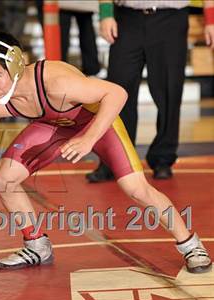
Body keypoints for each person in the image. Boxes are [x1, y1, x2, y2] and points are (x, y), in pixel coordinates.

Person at [0, 32, 212, 274]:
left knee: (136, 188)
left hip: (94, 123)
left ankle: (191, 245)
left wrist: (88, 138)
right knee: (3, 178)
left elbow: (116, 94)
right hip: (54, 126)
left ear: (14, 65)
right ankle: (37, 245)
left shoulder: (56, 81)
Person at [86, 0, 213, 182]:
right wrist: (106, 13)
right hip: (127, 19)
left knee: (170, 91)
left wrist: (211, 20)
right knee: (117, 90)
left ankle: (163, 158)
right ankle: (114, 160)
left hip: (171, 18)